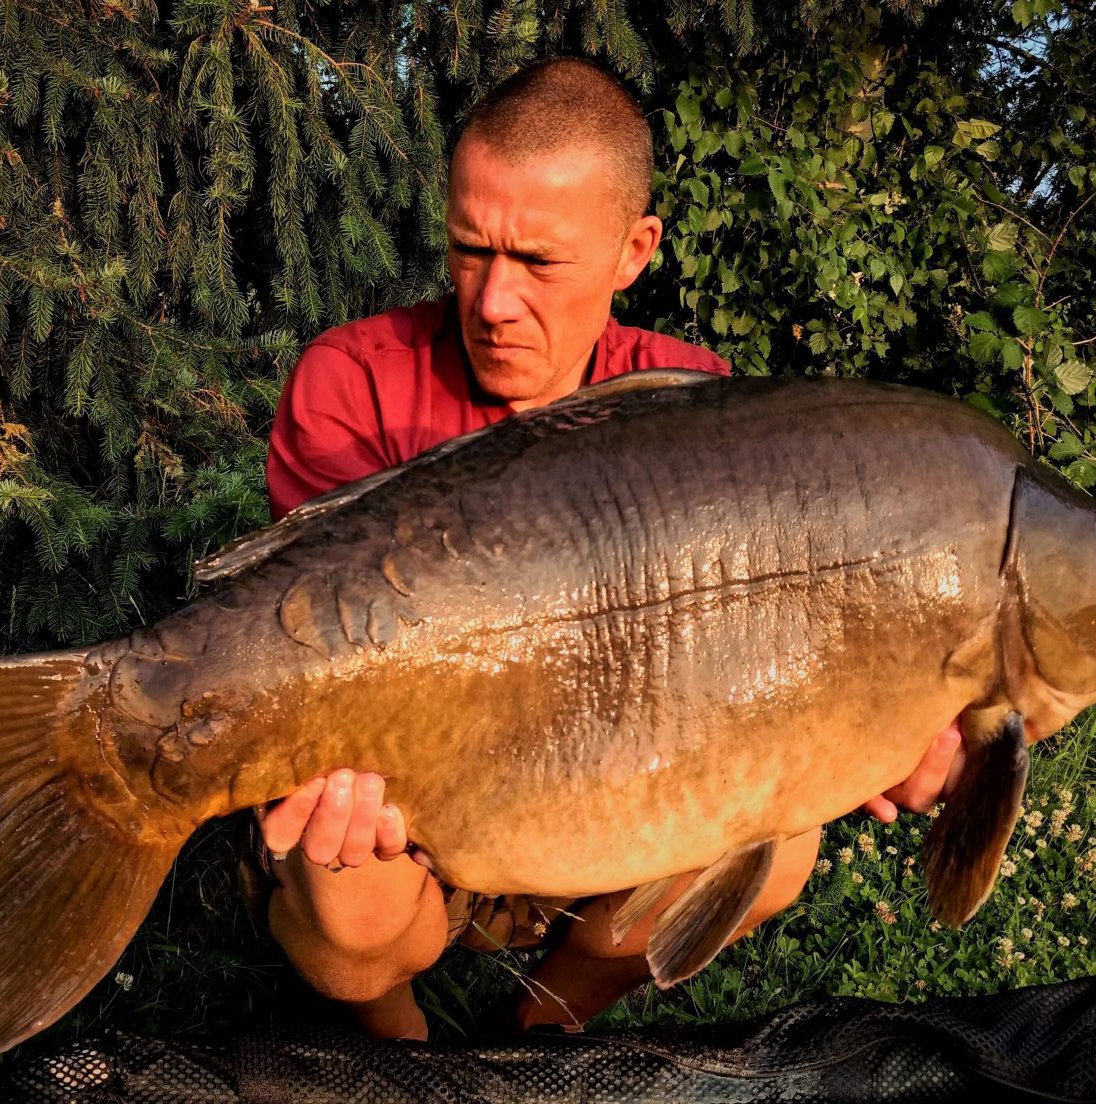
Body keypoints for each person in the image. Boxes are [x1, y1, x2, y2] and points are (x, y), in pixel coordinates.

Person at [246, 58, 964, 1042]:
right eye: (468, 249)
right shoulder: (353, 382)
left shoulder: (697, 410)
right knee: (346, 905)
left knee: (785, 841)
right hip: (411, 805)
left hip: (611, 797)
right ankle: (398, 1047)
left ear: (634, 250)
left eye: (538, 263)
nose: (492, 299)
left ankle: (546, 1023)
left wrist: (876, 735)